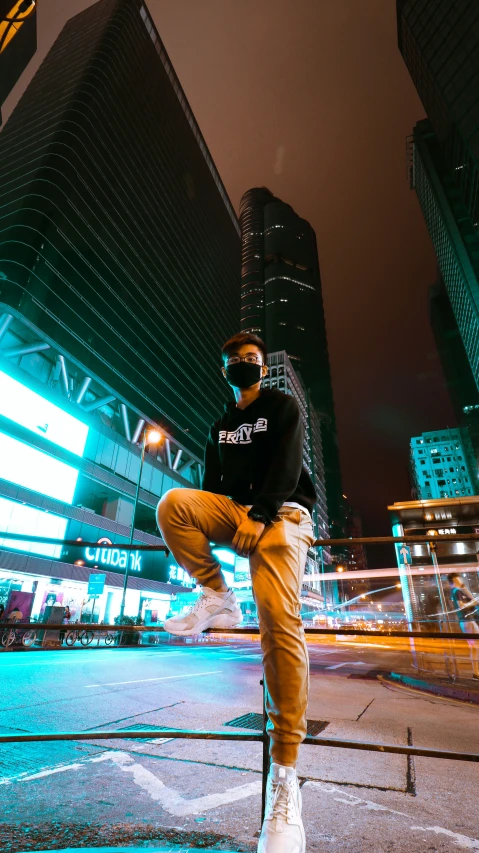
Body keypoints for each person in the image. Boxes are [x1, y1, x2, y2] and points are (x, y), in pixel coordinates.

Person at [157, 332, 316, 853]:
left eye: (252, 360)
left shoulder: (282, 406)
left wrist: (264, 513)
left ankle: (285, 777)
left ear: (262, 366)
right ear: (224, 369)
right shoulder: (219, 425)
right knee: (174, 503)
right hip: (240, 513)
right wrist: (234, 519)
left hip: (284, 514)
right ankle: (216, 595)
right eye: (235, 362)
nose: (244, 366)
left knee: (278, 620)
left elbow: (289, 466)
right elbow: (211, 490)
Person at [447, 572, 479, 680]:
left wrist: (466, 590)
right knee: (476, 646)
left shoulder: (457, 591)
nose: (461, 580)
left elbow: (472, 600)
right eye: (459, 578)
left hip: (466, 621)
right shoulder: (457, 591)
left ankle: (476, 673)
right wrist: (473, 603)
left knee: (474, 648)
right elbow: (461, 606)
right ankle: (476, 673)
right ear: (455, 579)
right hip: (468, 621)